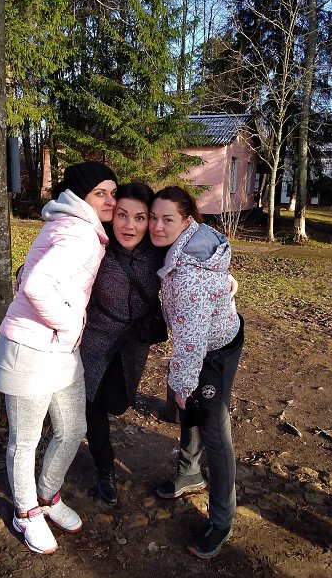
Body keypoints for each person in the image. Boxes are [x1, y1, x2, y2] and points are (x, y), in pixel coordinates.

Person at [0, 161, 117, 554]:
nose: (110, 201)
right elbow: (36, 285)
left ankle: (47, 496)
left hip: (60, 350)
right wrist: (70, 326)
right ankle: (26, 512)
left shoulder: (78, 227)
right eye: (100, 193)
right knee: (25, 440)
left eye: (113, 192)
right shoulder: (79, 233)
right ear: (80, 197)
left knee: (72, 427)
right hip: (30, 349)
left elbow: (29, 273)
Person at [149, 186, 244, 560]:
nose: (157, 226)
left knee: (214, 430)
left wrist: (182, 384)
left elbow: (191, 340)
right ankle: (189, 472)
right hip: (200, 340)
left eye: (167, 219)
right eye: (153, 218)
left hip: (216, 349)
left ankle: (222, 520)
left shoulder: (189, 273)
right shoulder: (185, 245)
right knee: (187, 405)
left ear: (187, 220)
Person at [80, 182, 165, 505]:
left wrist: (222, 275)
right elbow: (54, 260)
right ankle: (105, 466)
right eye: (122, 215)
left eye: (139, 218)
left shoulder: (159, 251)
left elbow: (195, 253)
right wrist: (25, 271)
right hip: (94, 337)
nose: (129, 226)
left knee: (116, 403)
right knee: (92, 403)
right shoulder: (94, 243)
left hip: (132, 342)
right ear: (111, 216)